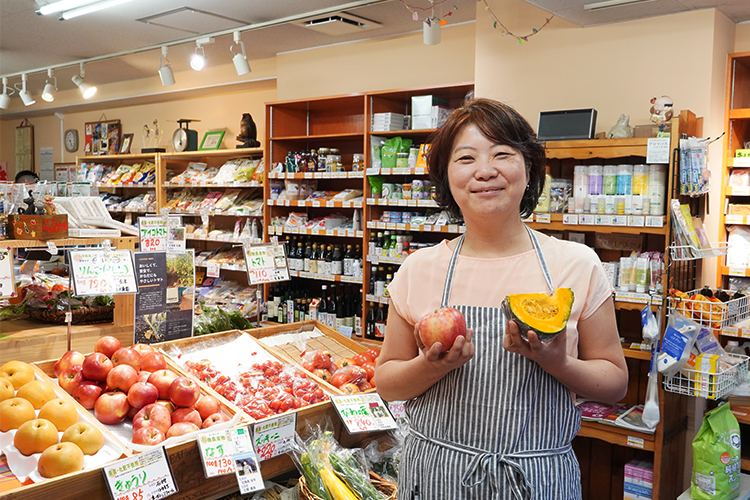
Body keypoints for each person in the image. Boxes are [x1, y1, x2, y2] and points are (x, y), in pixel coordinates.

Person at [375, 98, 628, 500]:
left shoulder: (576, 265)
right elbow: (386, 383)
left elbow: (615, 383)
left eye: (502, 154)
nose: (485, 170)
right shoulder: (419, 268)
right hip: (437, 475)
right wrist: (430, 365)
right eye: (466, 158)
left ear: (529, 169)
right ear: (446, 177)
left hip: (536, 477)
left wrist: (556, 361)